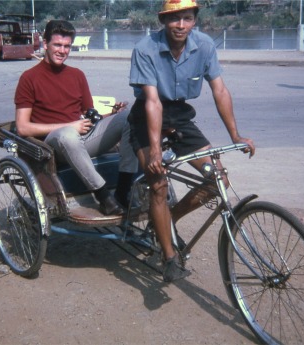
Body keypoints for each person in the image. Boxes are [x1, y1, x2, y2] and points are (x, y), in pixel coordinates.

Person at [128, 0, 256, 282]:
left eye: (187, 18)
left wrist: (235, 135)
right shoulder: (145, 49)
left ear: (195, 19)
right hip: (147, 117)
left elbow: (219, 90)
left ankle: (168, 218)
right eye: (174, 19)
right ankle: (170, 256)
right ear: (164, 21)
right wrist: (155, 152)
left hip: (180, 117)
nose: (181, 26)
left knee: (217, 179)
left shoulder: (205, 45)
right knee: (158, 183)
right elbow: (152, 101)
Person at [14, 20, 138, 216]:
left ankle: (123, 190)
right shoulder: (29, 78)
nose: (62, 51)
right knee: (67, 134)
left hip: (83, 139)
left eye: (67, 46)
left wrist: (113, 114)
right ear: (45, 44)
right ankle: (103, 196)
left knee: (132, 116)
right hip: (54, 144)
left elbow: (91, 117)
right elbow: (22, 127)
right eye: (57, 45)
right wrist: (69, 125)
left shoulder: (76, 75)